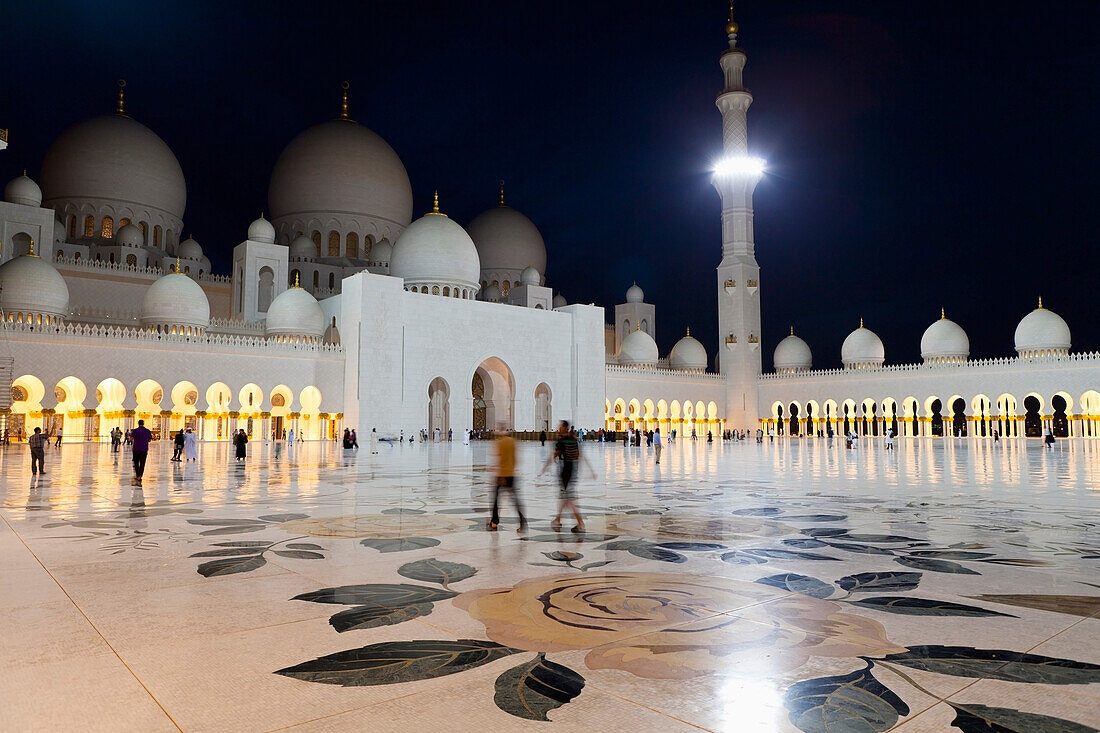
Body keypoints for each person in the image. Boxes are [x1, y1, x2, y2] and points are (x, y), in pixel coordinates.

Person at [540, 421, 595, 534]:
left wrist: (544, 469)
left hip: (565, 472)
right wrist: (590, 470)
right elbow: (579, 455)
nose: (558, 428)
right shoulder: (573, 440)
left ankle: (580, 523)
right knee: (565, 497)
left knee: (570, 499)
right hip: (573, 471)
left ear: (565, 428)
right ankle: (558, 519)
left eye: (560, 427)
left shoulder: (562, 441)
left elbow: (554, 455)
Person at [489, 427, 526, 533]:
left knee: (496, 499)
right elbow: (516, 459)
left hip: (502, 474)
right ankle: (522, 521)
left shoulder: (500, 443)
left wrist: (500, 476)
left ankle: (494, 522)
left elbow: (499, 459)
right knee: (515, 500)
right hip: (512, 474)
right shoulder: (514, 442)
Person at [130, 419, 153, 485]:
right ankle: (140, 476)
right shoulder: (147, 431)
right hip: (144, 449)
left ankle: (137, 475)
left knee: (136, 462)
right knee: (142, 463)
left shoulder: (135, 431)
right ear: (143, 423)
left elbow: (131, 439)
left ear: (138, 423)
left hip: (136, 449)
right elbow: (149, 439)